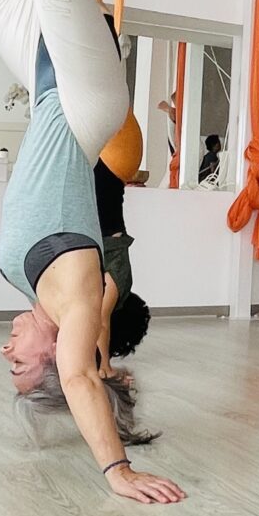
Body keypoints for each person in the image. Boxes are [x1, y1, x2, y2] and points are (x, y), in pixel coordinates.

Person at [0, 0, 184, 503]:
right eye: (18, 361)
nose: (7, 346)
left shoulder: (28, 281)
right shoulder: (75, 303)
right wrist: (117, 471)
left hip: (51, 100)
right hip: (86, 103)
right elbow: (82, 379)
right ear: (53, 361)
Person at [94, 157, 151, 379]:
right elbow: (101, 320)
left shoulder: (114, 288)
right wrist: (105, 366)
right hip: (107, 230)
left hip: (102, 226)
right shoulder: (120, 283)